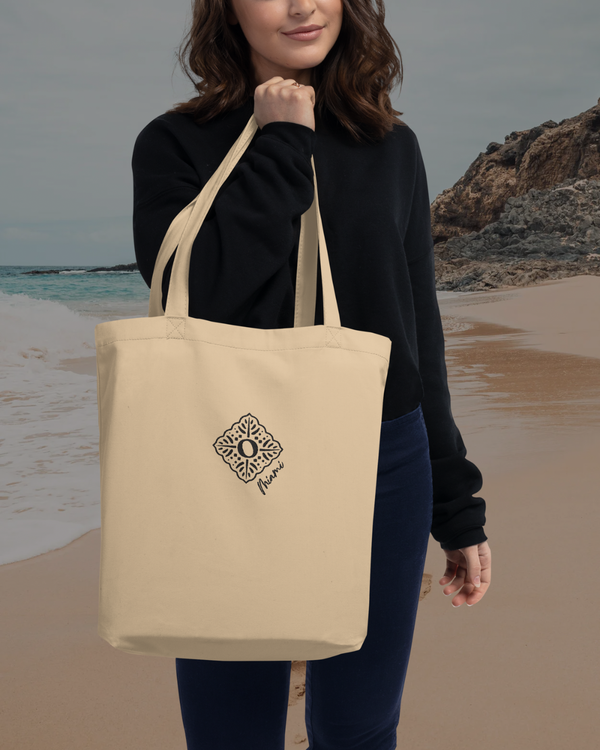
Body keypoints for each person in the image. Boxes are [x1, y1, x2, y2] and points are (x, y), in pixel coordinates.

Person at [131, 0, 492, 747]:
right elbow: (198, 288)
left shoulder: (390, 146)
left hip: (381, 463)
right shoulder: (176, 143)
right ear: (227, 11)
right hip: (232, 458)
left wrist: (455, 507)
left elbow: (416, 329)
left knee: (360, 727)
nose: (301, 6)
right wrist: (282, 141)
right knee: (229, 729)